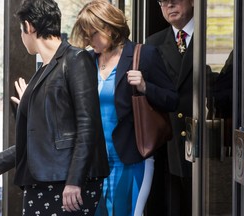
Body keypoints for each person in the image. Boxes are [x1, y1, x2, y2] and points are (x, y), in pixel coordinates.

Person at [0, 0, 110, 215]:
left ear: (29, 26)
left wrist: (74, 181)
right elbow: (40, 139)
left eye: (21, 30)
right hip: (44, 181)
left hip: (67, 184)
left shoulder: (76, 59)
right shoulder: (42, 71)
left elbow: (88, 125)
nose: (22, 36)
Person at [69, 1, 179, 215]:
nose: (88, 41)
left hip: (131, 158)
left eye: (92, 34)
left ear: (109, 28)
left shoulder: (143, 55)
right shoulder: (87, 61)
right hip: (93, 160)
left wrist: (146, 86)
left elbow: (172, 100)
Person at [145, 0, 194, 215]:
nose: (169, 5)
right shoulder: (152, 44)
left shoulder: (211, 37)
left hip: (206, 138)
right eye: (163, 1)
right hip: (169, 141)